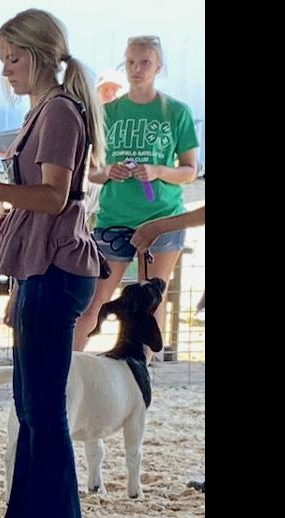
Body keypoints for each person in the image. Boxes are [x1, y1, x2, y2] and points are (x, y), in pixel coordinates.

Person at [0, 9, 106, 518]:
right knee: (29, 400)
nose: (7, 70)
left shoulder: (59, 112)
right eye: (4, 60)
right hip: (44, 269)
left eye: (13, 59)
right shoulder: (48, 110)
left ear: (39, 56)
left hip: (57, 270)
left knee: (41, 405)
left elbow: (53, 197)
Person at [74, 35, 200, 355]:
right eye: (130, 62)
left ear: (158, 66)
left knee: (151, 298)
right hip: (115, 218)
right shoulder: (109, 112)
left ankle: (142, 373)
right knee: (95, 301)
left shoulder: (176, 112)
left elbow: (189, 171)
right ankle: (70, 370)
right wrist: (109, 171)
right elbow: (91, 170)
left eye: (144, 62)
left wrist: (159, 171)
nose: (136, 69)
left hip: (163, 217)